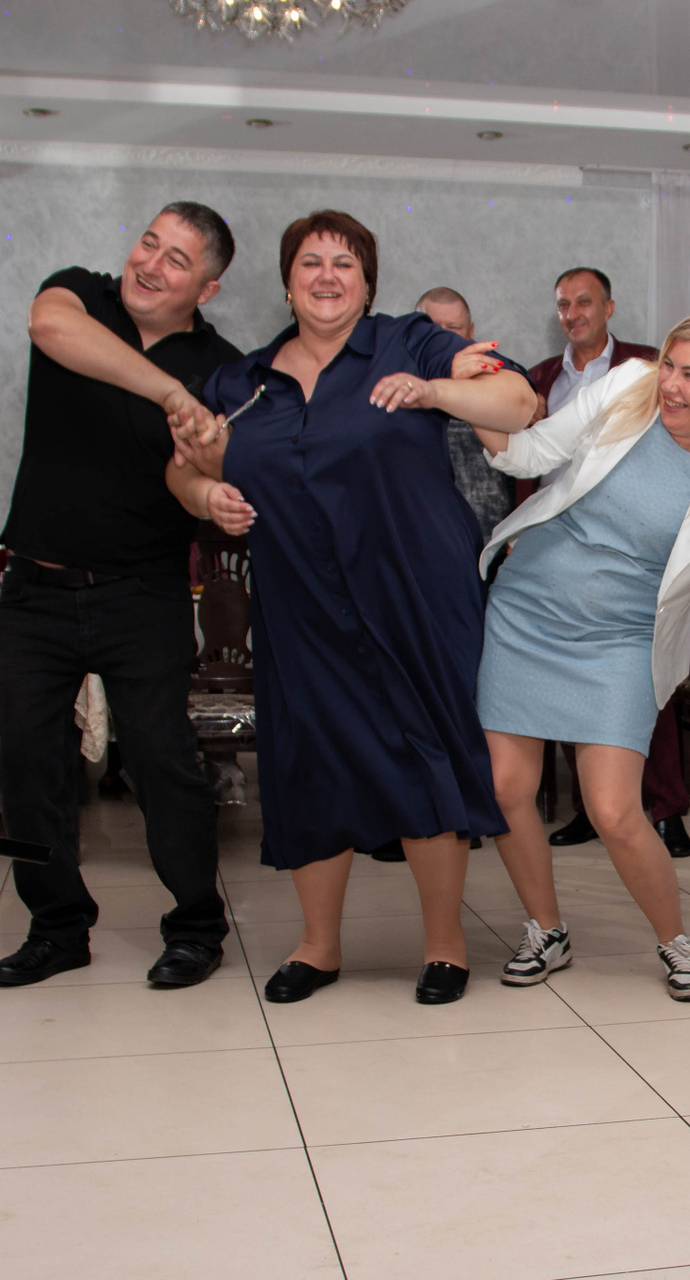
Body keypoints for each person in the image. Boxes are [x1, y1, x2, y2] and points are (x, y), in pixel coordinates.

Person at [182, 209, 534, 1006]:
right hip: (299, 599)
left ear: (368, 283)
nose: (328, 275)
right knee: (310, 760)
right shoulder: (244, 381)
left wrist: (435, 390)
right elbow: (183, 465)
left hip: (413, 590)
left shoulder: (411, 342)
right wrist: (205, 493)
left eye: (345, 262)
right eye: (311, 262)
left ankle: (444, 945)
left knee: (426, 752)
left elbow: (518, 403)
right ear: (286, 282)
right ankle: (318, 947)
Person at [0, 201, 247, 990]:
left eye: (177, 260)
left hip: (143, 594)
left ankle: (196, 927)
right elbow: (49, 328)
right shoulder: (82, 294)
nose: (150, 265)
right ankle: (57, 927)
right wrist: (171, 394)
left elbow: (214, 466)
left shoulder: (222, 365)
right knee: (27, 766)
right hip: (34, 588)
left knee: (164, 765)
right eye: (149, 243)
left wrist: (211, 457)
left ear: (207, 289)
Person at [477, 313, 690, 1001]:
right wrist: (464, 401)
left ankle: (676, 939)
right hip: (527, 611)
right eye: (670, 364)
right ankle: (546, 929)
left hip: (622, 639)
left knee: (613, 810)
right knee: (507, 789)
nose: (669, 383)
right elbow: (528, 454)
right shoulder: (628, 387)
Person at [527, 267, 690, 858]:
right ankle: (588, 809)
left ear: (609, 307)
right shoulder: (540, 379)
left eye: (584, 302)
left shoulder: (648, 368)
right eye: (563, 305)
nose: (572, 314)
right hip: (558, 550)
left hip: (632, 547)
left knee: (648, 680)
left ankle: (667, 810)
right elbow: (532, 463)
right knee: (571, 679)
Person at [416, 286, 515, 542]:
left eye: (453, 328)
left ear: (471, 332)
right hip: (418, 539)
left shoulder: (499, 382)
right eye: (432, 328)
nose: (442, 337)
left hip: (489, 544)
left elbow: (518, 463)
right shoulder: (394, 385)